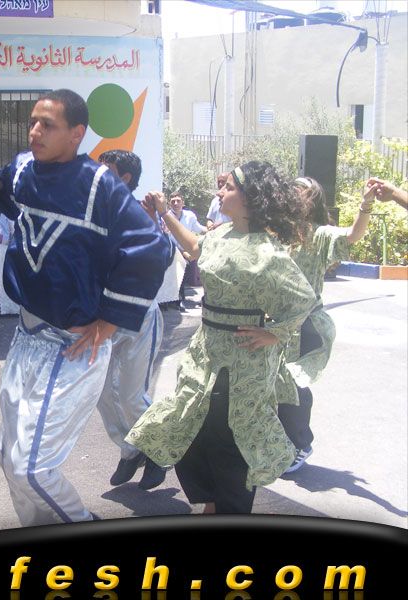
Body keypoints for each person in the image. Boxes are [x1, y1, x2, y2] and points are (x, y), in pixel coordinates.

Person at [0, 88, 172, 525]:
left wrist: (109, 320)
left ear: (76, 133)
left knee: (32, 469)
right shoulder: (25, 169)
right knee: (8, 459)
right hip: (27, 338)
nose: (35, 132)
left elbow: (151, 247)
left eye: (48, 125)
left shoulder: (98, 184)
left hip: (72, 346)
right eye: (32, 122)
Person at [126, 161, 317, 514]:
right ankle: (212, 505)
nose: (220, 192)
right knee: (195, 430)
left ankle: (228, 510)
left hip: (242, 363)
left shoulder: (267, 251)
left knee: (231, 440)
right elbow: (195, 246)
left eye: (228, 186)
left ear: (249, 197)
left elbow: (303, 299)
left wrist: (273, 333)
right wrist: (164, 213)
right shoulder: (221, 234)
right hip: (206, 352)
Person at [278, 176, 376, 473]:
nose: (292, 191)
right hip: (277, 323)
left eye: (300, 188)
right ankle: (281, 443)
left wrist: (366, 204)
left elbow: (353, 236)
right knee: (274, 383)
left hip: (307, 324)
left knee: (294, 383)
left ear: (312, 198)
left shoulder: (319, 234)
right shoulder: (279, 231)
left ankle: (301, 443)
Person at [96, 149, 169, 489]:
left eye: (106, 169)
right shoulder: (93, 208)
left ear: (124, 178)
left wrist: (155, 219)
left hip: (139, 316)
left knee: (130, 396)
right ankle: (131, 450)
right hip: (103, 318)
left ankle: (158, 452)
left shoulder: (140, 214)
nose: (98, 173)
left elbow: (161, 257)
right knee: (100, 393)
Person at [167, 187, 207, 312]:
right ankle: (177, 299)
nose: (176, 203)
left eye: (178, 201)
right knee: (179, 267)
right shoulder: (166, 217)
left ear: (183, 203)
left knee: (186, 269)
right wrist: (182, 251)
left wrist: (211, 230)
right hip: (171, 249)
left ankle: (179, 298)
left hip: (185, 251)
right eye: (173, 201)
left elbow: (199, 228)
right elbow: (168, 237)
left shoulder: (190, 216)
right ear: (169, 203)